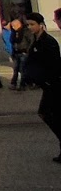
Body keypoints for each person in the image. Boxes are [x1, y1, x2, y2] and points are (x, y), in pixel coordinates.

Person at [30, 12, 61, 163]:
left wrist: (48, 80)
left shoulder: (48, 41)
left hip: (53, 84)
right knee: (49, 114)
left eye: (32, 24)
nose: (30, 27)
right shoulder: (36, 40)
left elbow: (54, 63)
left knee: (46, 113)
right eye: (28, 24)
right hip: (48, 83)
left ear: (41, 25)